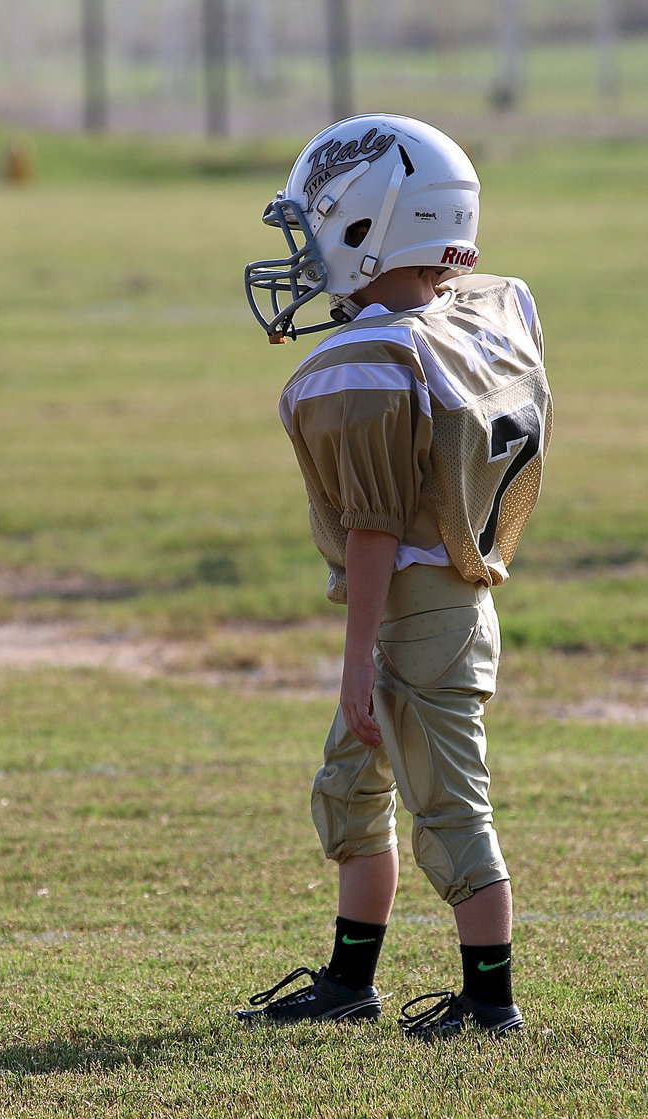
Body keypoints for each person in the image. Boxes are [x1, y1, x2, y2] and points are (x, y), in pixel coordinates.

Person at [237, 114, 552, 1040]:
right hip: (445, 602)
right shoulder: (482, 319)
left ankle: (490, 1001)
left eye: (315, 225)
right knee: (352, 789)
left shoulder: (370, 359)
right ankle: (349, 980)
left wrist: (353, 658)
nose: (302, 252)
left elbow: (373, 528)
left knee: (449, 805)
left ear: (369, 226)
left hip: (412, 610)